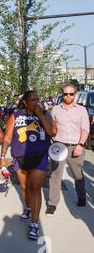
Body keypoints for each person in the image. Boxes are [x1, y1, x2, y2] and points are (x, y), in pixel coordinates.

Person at [0, 90, 56, 240]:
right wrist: (2, 156)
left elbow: (52, 132)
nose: (35, 102)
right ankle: (28, 207)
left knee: (36, 189)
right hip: (20, 158)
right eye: (32, 99)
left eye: (37, 99)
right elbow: (7, 137)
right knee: (26, 189)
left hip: (40, 156)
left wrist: (41, 114)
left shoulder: (45, 114)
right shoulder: (16, 116)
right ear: (25, 101)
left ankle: (34, 224)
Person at [46, 84, 90, 214]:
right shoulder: (55, 109)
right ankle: (52, 203)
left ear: (75, 94)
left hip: (75, 146)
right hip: (59, 146)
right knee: (55, 175)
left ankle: (82, 196)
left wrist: (80, 145)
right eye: (65, 94)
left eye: (71, 94)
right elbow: (51, 127)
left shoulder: (81, 110)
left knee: (77, 174)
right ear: (62, 94)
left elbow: (85, 129)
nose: (68, 96)